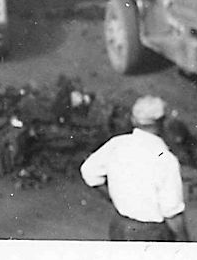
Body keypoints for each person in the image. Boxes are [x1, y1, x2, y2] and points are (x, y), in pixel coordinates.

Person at [79, 95, 190, 242]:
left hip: (120, 226)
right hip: (151, 233)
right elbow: (172, 212)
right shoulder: (166, 159)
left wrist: (112, 196)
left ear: (133, 120)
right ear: (163, 122)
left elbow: (89, 171)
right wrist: (187, 243)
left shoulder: (117, 144)